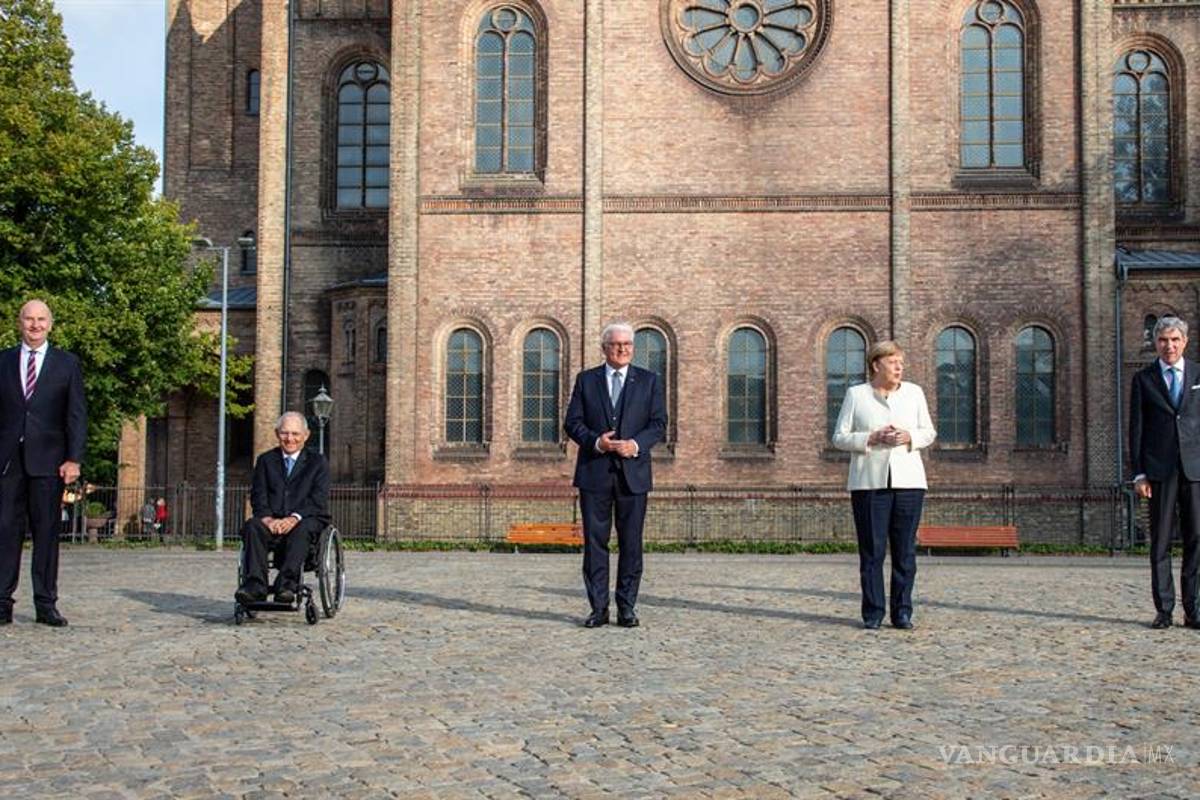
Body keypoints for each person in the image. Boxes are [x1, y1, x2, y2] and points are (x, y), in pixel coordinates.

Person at [564, 322, 667, 629]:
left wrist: (635, 445)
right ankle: (598, 608)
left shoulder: (649, 381)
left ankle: (626, 607)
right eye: (616, 344)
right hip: (594, 475)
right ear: (604, 348)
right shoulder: (586, 380)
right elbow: (572, 422)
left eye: (628, 344)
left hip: (633, 476)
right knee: (595, 544)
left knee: (631, 544)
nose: (623, 349)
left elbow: (659, 424)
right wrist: (597, 442)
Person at [832, 340, 935, 630]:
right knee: (872, 551)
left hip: (909, 482)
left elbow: (929, 432)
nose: (899, 367)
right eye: (893, 362)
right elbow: (839, 436)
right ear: (876, 365)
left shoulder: (914, 393)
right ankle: (873, 612)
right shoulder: (856, 395)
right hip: (869, 483)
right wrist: (870, 438)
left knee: (904, 551)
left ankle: (902, 611)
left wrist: (909, 436)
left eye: (901, 362)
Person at [0, 299, 87, 627]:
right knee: (5, 531)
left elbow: (76, 415)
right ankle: (2, 602)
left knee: (47, 533)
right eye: (28, 319)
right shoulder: (3, 361)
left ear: (50, 324)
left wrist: (73, 458)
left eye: (41, 319)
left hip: (50, 462)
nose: (35, 325)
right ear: (19, 322)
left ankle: (45, 603)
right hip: (8, 461)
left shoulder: (67, 364)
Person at [1129, 315, 1200, 630]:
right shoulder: (1143, 379)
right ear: (1155, 343)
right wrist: (1139, 473)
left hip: (1195, 469)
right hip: (1159, 471)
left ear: (1184, 341)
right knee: (1159, 542)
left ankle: (1193, 611)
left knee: (1196, 539)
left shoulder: (1199, 374)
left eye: (1174, 340)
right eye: (1162, 340)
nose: (1169, 346)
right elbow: (1136, 429)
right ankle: (1164, 610)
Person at [234, 412, 330, 605]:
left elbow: (318, 499)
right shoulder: (265, 461)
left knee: (302, 529)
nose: (290, 439)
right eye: (285, 433)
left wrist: (294, 518)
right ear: (277, 434)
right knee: (252, 526)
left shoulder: (317, 462)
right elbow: (258, 495)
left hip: (305, 518)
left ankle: (287, 585)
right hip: (273, 520)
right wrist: (267, 518)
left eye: (295, 434)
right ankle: (255, 586)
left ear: (306, 435)